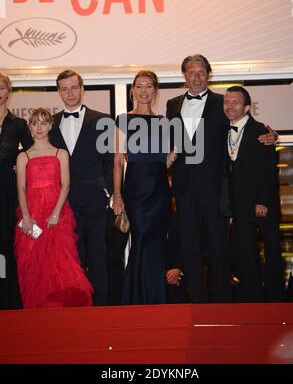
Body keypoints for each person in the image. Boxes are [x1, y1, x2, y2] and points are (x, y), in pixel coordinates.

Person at [166, 54, 276, 303]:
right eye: (191, 72)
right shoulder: (172, 105)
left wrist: (272, 135)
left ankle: (223, 301)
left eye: (201, 72)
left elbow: (244, 124)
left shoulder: (221, 102)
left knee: (219, 246)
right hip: (183, 188)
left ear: (208, 75)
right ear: (184, 76)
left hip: (215, 188)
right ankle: (197, 301)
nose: (196, 77)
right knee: (190, 245)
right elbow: (170, 140)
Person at [15, 108, 93, 308]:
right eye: (35, 123)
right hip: (31, 213)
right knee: (34, 263)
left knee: (60, 260)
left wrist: (56, 212)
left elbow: (65, 184)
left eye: (43, 123)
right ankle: (39, 309)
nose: (39, 127)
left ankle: (61, 309)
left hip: (56, 211)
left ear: (50, 126)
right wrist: (27, 216)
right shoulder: (23, 157)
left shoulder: (61, 153)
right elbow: (21, 189)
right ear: (30, 128)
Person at [50, 70, 113, 306]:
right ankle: (76, 305)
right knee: (71, 255)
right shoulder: (52, 123)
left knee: (97, 253)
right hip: (64, 201)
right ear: (59, 92)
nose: (70, 93)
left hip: (95, 199)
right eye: (64, 88)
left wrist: (106, 191)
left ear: (82, 88)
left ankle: (101, 306)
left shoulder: (103, 119)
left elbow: (111, 161)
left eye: (74, 87)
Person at [113, 70, 176, 305]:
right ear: (132, 91)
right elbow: (118, 160)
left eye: (149, 86)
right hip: (136, 191)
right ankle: (135, 298)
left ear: (155, 91)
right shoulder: (123, 119)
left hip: (159, 190)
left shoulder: (163, 121)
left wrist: (174, 154)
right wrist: (118, 195)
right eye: (139, 86)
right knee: (140, 239)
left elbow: (165, 160)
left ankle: (156, 298)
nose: (143, 91)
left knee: (157, 242)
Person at [223, 86, 286, 302]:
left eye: (235, 102)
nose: (230, 106)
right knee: (246, 255)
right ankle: (253, 302)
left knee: (271, 253)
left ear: (247, 107)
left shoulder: (262, 131)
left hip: (261, 204)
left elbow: (269, 171)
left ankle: (276, 301)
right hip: (238, 207)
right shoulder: (221, 131)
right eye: (227, 102)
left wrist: (263, 201)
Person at [0, 72, 32, 310]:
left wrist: (19, 162)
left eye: (1, 88)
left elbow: (33, 151)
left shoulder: (19, 124)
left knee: (7, 239)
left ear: (8, 92)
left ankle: (8, 296)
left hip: (8, 188)